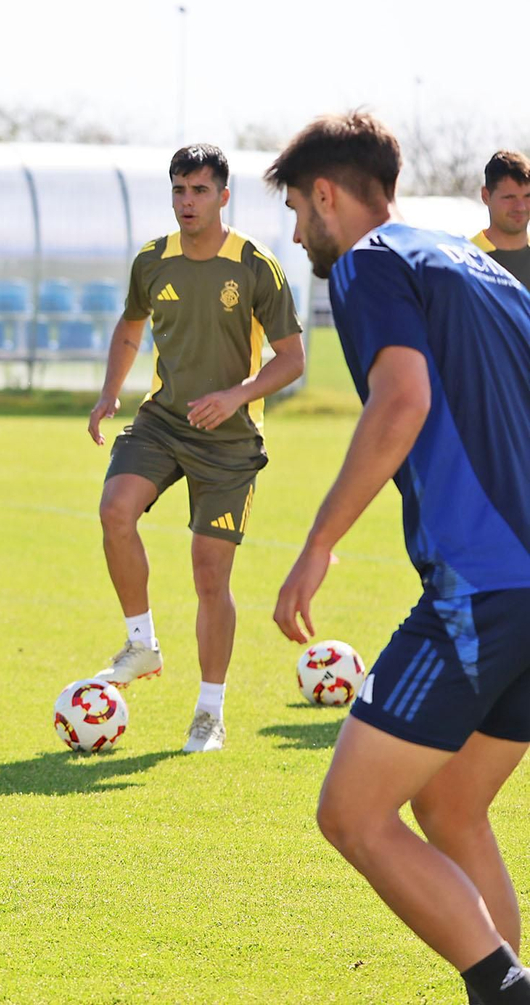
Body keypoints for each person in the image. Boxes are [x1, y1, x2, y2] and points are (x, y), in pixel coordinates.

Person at [271, 112, 530, 1005]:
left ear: (331, 196)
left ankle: (504, 986)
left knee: (351, 811)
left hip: (483, 585)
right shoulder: (490, 272)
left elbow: (400, 400)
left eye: (301, 210)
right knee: (451, 805)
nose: (300, 232)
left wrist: (316, 545)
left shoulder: (369, 264)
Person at [87, 144, 304, 753]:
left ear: (223, 196)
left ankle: (209, 712)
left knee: (210, 576)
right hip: (162, 422)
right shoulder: (152, 261)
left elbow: (293, 360)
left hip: (232, 441)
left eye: (199, 191)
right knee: (114, 510)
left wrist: (237, 395)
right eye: (179, 191)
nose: (187, 202)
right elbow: (131, 328)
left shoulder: (257, 266)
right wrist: (109, 393)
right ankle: (141, 644)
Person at [470, 151, 530, 290]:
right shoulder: (464, 260)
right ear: (485, 196)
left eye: (528, 196)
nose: (520, 207)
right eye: (509, 197)